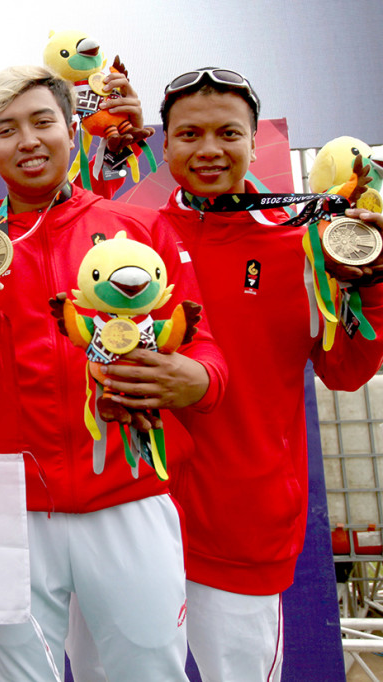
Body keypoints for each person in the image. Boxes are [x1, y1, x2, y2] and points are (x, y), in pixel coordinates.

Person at [0, 64, 228, 682]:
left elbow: (206, 353)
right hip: (12, 510)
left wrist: (198, 381)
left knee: (148, 672)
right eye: (5, 130)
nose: (28, 141)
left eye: (42, 122)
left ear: (72, 130)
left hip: (129, 498)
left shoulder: (141, 230)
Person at [145, 67, 383, 681]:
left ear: (254, 143)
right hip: (131, 518)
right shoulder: (131, 240)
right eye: (189, 134)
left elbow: (346, 370)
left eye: (227, 133)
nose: (208, 150)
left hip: (241, 523)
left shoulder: (302, 243)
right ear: (163, 144)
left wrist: (374, 286)